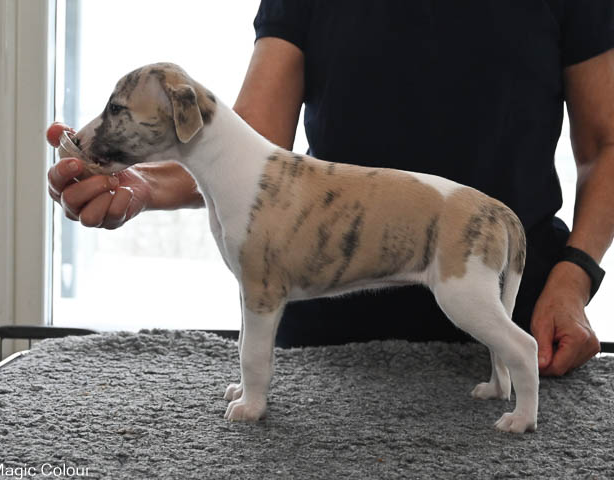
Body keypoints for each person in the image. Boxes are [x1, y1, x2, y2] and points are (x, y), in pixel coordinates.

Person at [47, 0, 614, 376]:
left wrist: (575, 278)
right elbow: (252, 138)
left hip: (519, 306)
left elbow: (606, 144)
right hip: (331, 336)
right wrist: (143, 183)